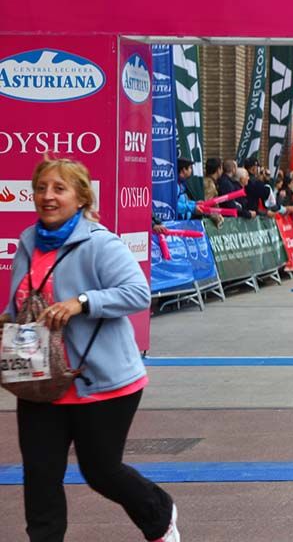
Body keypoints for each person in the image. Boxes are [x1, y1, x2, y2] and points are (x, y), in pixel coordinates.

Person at [4, 158, 180, 542]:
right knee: (39, 473)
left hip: (102, 381)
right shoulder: (28, 242)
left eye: (59, 189)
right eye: (41, 188)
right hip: (40, 383)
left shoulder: (99, 242)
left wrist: (80, 302)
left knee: (101, 471)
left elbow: (137, 293)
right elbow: (19, 304)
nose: (47, 196)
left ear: (81, 197)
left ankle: (159, 512)